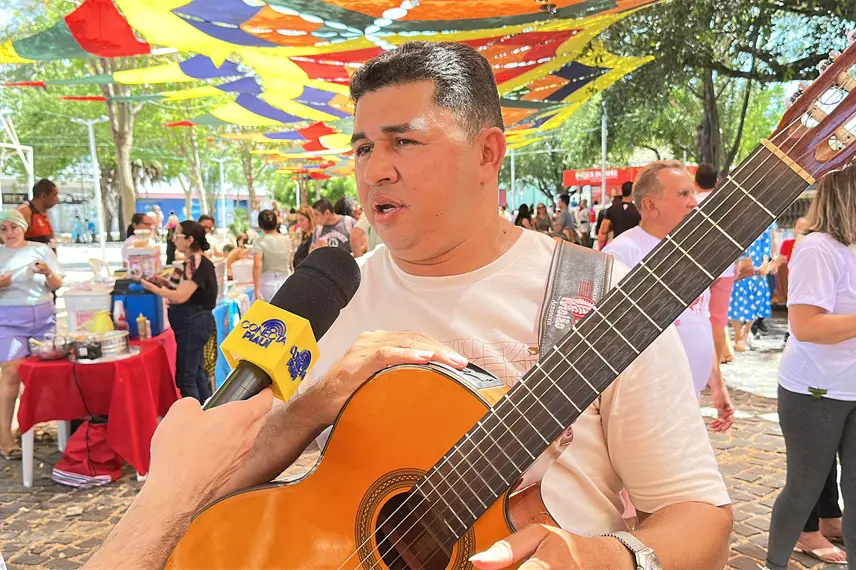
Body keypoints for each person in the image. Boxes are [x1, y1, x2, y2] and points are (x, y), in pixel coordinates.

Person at [86, 41, 731, 570]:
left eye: (404, 142)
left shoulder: (601, 293)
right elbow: (212, 477)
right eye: (364, 147)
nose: (375, 171)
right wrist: (323, 398)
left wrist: (607, 558)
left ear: (487, 153)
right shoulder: (324, 295)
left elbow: (698, 514)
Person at [765, 164, 856, 569]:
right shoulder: (818, 248)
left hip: (850, 385)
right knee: (803, 488)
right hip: (815, 390)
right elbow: (806, 325)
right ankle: (775, 563)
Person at [603, 161, 734, 427]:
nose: (693, 202)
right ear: (651, 206)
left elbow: (700, 318)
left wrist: (717, 385)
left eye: (692, 193)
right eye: (683, 194)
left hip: (689, 398)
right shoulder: (624, 253)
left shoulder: (695, 249)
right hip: (646, 405)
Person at [0, 210, 62, 460]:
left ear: (23, 228)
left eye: (13, 227)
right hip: (9, 321)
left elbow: (57, 283)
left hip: (44, 319)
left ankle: (28, 426)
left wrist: (48, 273)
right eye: (3, 229)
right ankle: (4, 435)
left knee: (41, 375)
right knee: (12, 371)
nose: (9, 233)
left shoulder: (41, 250)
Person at [140, 221, 217, 403]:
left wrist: (152, 288)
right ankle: (207, 415)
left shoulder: (195, 262)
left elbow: (180, 296)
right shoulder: (188, 263)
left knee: (185, 379)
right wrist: (162, 282)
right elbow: (177, 287)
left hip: (194, 323)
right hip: (193, 323)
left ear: (190, 240)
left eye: (178, 235)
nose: (174, 240)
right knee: (196, 373)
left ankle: (195, 422)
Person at [728, 224, 777, 352]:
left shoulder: (766, 221)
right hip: (738, 262)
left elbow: (767, 243)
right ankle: (738, 335)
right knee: (735, 299)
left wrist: (765, 264)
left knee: (756, 300)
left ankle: (746, 330)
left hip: (757, 264)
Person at [252, 209, 293, 302]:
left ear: (260, 224)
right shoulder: (287, 240)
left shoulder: (259, 241)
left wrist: (256, 289)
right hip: (286, 279)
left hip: (267, 282)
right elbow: (290, 261)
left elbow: (257, 265)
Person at [18, 178, 59, 252]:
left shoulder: (44, 213)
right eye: (54, 195)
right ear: (43, 196)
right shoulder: (25, 211)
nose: (57, 199)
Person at [598, 181, 641, 246]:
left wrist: (602, 247)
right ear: (633, 192)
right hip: (633, 245)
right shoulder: (638, 210)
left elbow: (604, 230)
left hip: (616, 244)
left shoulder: (611, 209)